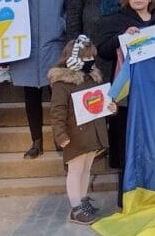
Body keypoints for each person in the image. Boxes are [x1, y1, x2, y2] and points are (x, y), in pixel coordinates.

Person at [95, 0, 155, 208]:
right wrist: (123, 37)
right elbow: (103, 51)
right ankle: (125, 197)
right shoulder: (118, 21)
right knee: (125, 142)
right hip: (127, 94)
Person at [9, 0, 72, 159]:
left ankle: (60, 138)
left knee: (57, 95)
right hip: (26, 46)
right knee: (31, 96)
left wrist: (61, 25)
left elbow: (70, 6)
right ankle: (36, 141)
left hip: (53, 44)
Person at [49, 36, 115, 225]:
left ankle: (83, 200)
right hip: (75, 134)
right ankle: (75, 208)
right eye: (86, 59)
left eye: (91, 58)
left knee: (86, 168)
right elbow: (58, 111)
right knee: (75, 170)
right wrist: (60, 135)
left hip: (91, 134)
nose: (90, 62)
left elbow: (100, 102)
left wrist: (111, 107)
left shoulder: (93, 78)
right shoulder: (63, 84)